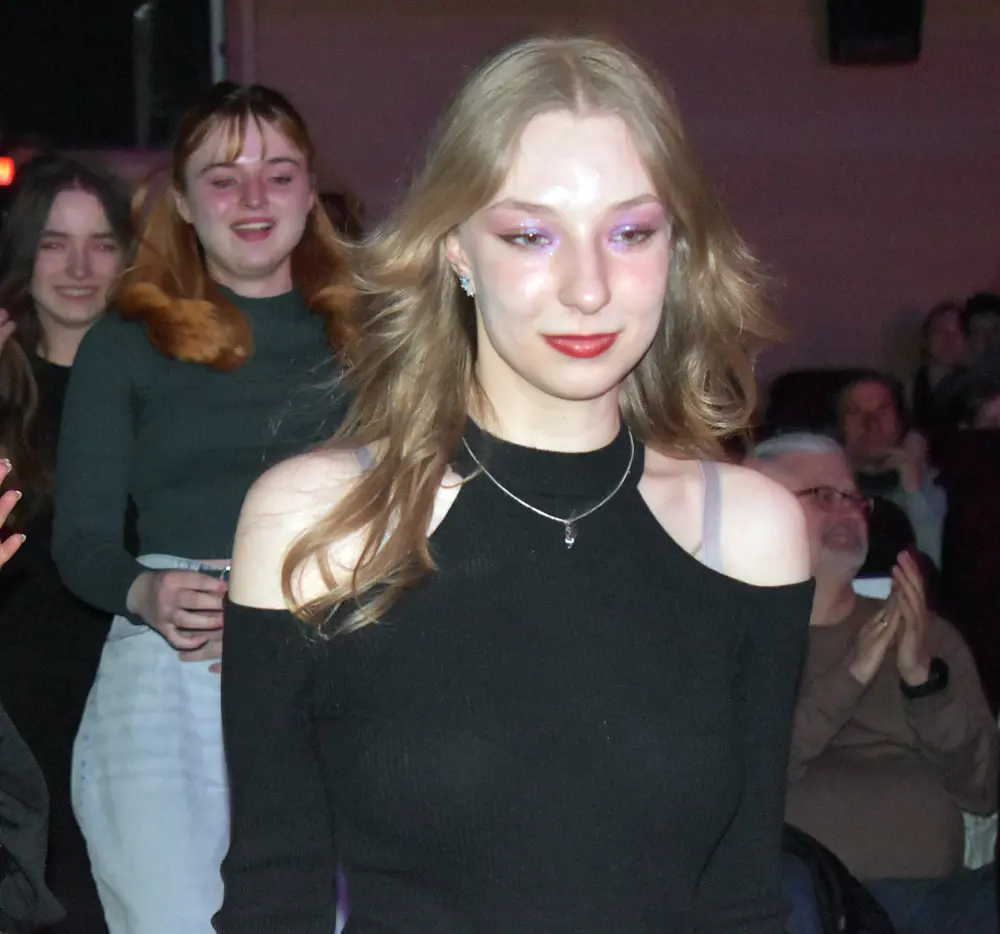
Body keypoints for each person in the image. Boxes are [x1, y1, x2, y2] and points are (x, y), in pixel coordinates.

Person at [214, 36, 814, 934]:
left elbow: (742, 902)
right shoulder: (319, 524)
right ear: (455, 249)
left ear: (678, 250)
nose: (588, 288)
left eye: (631, 233)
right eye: (531, 235)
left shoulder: (751, 533)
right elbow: (274, 899)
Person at [51, 82, 353, 934]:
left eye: (279, 174)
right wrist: (146, 594)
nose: (254, 198)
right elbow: (80, 542)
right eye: (224, 178)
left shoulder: (370, 338)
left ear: (309, 191)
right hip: (169, 662)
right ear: (183, 201)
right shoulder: (126, 344)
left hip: (330, 654)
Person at [750, 432, 998, 934]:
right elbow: (746, 784)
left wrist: (923, 684)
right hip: (807, 900)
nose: (847, 510)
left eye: (854, 497)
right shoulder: (739, 639)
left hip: (938, 901)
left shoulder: (926, 632)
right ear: (758, 510)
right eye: (822, 495)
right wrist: (850, 675)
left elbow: (984, 792)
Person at [0, 154, 134, 933]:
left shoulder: (167, 387)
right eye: (55, 244)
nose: (80, 268)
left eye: (101, 244)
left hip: (132, 705)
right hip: (18, 716)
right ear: (25, 255)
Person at [837, 372, 946, 568]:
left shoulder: (938, 489)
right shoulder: (822, 490)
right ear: (840, 426)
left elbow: (934, 565)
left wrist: (913, 487)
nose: (871, 422)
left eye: (883, 411)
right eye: (856, 411)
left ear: (901, 422)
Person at [911, 301, 965, 436]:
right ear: (926, 340)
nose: (949, 339)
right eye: (940, 331)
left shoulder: (979, 389)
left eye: (956, 332)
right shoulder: (907, 390)